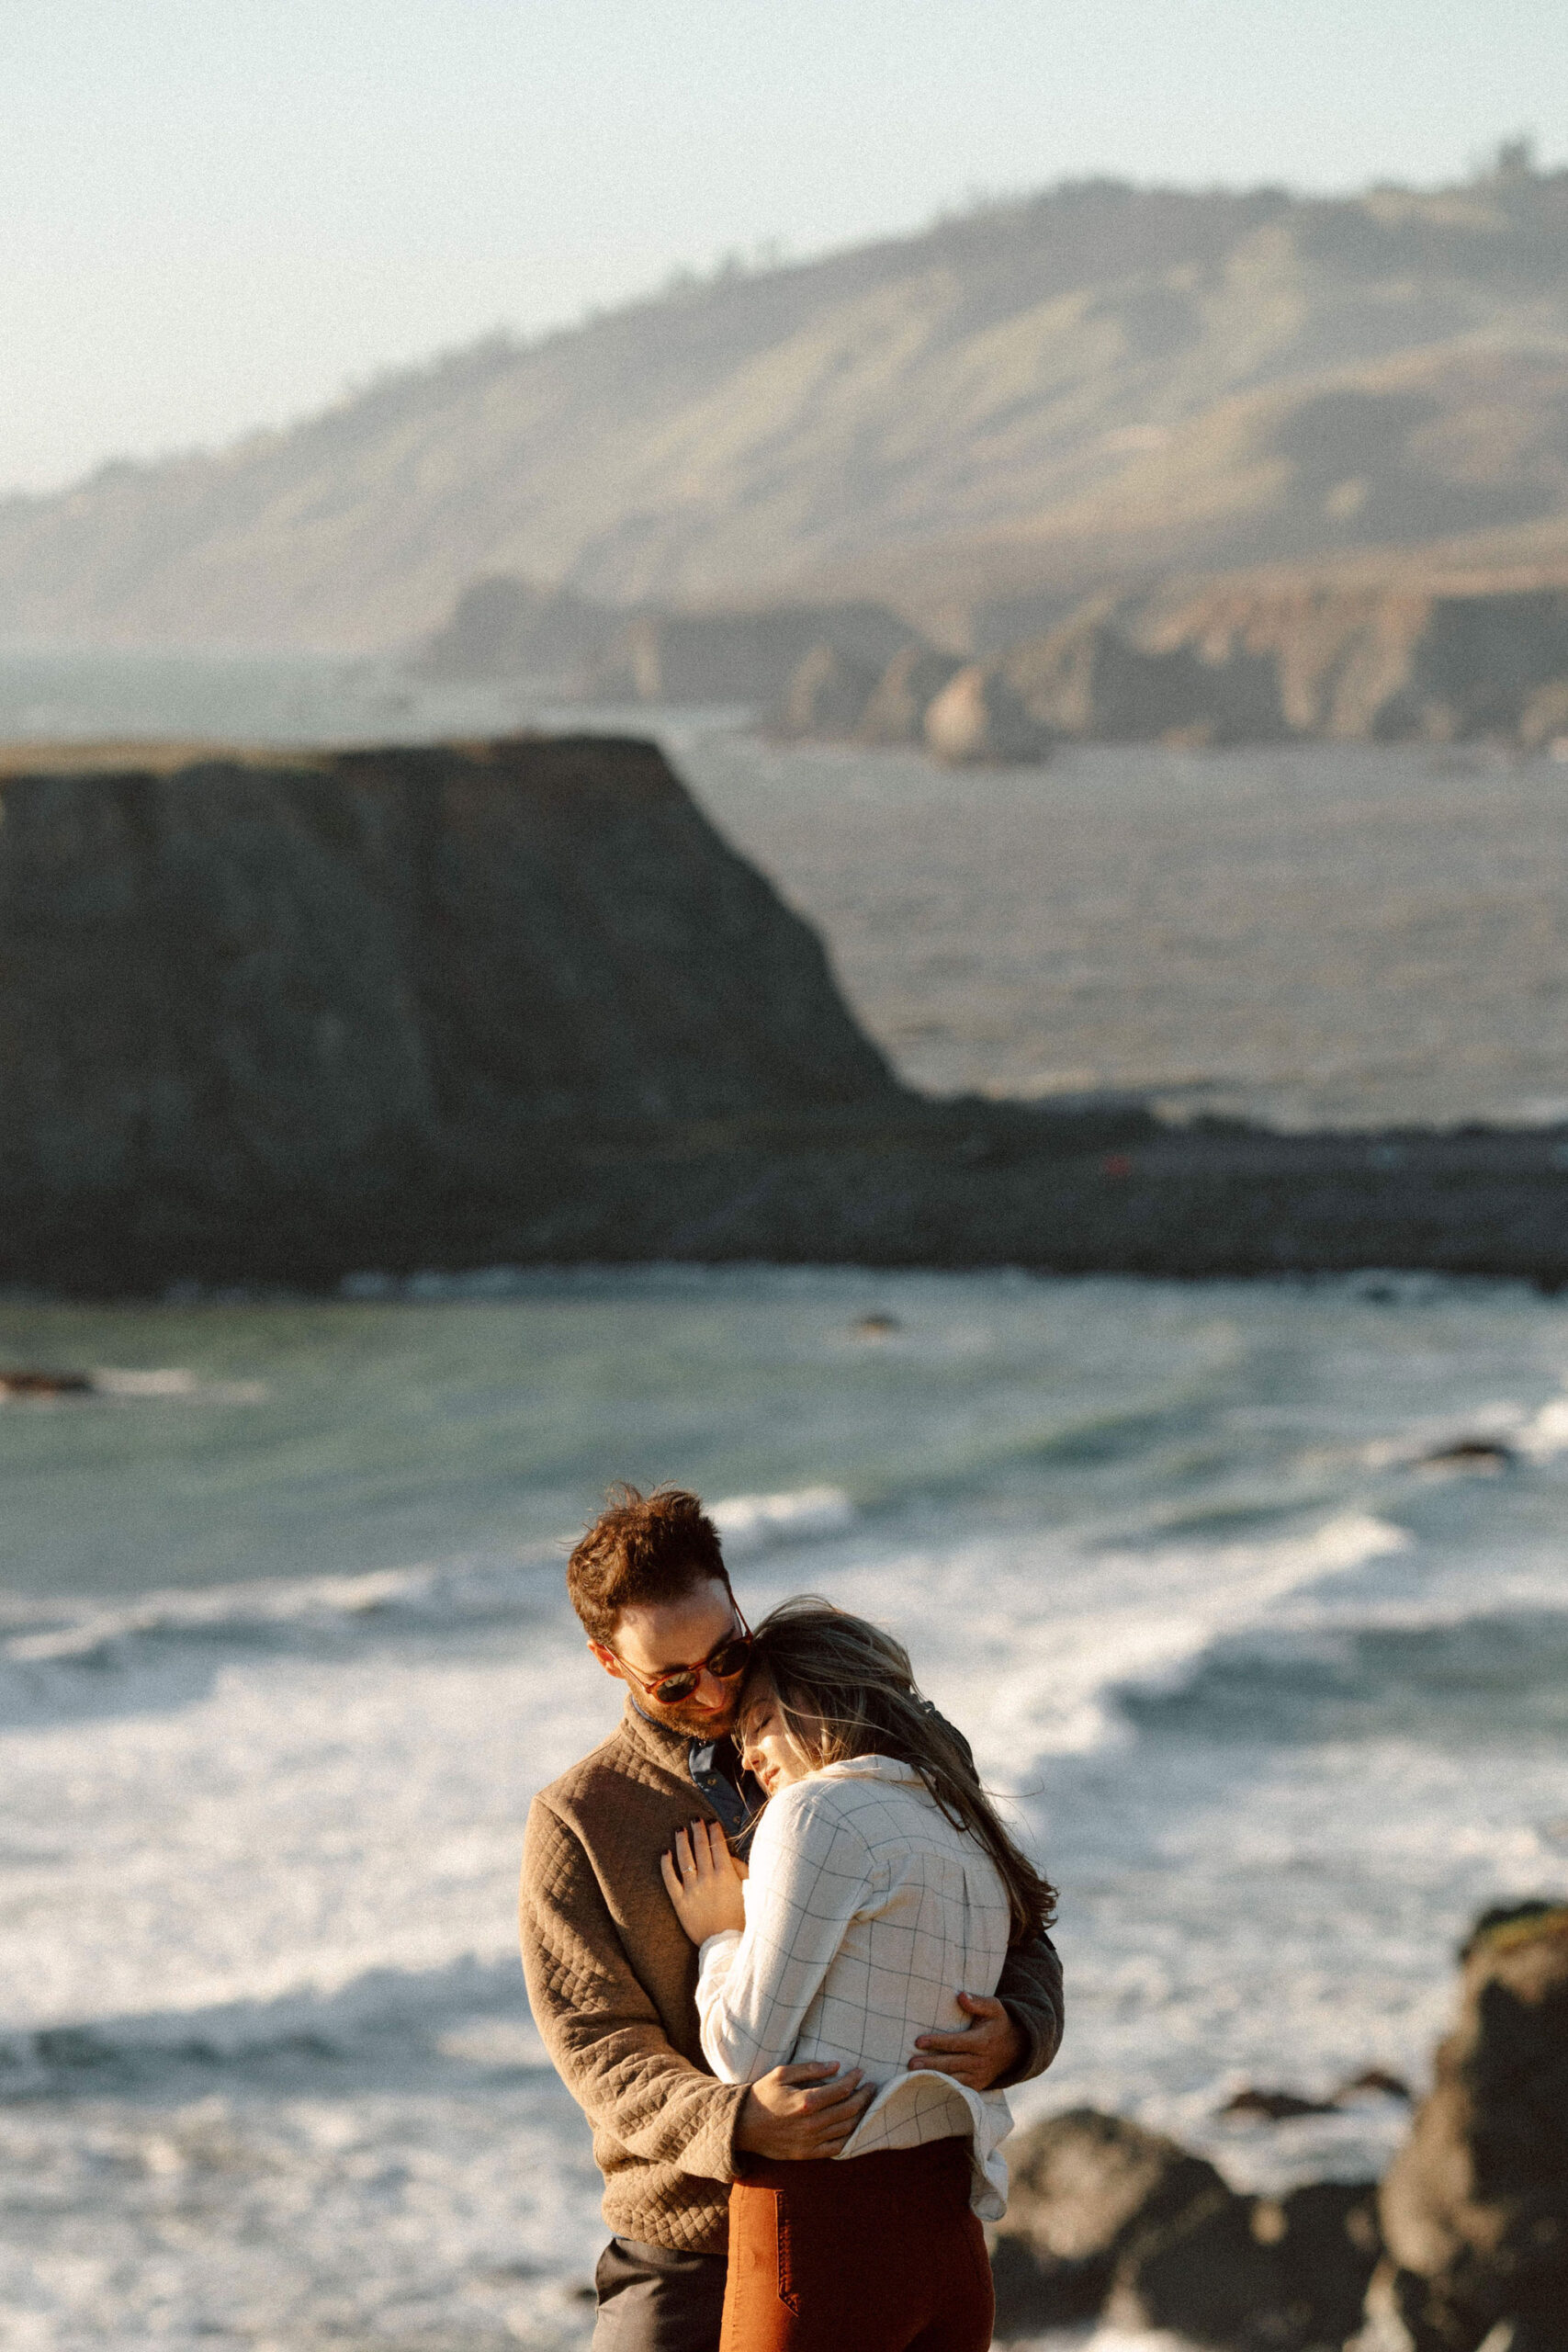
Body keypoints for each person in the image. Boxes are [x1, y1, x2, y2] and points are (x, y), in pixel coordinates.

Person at [520, 1486, 1064, 2352]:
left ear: (737, 1605)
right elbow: (598, 2047)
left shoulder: (876, 1734)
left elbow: (1011, 1912)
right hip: (686, 2244)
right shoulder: (581, 1819)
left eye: (727, 1654)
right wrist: (735, 2124)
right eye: (671, 1679)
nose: (711, 1694)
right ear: (607, 1663)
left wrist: (1020, 2030)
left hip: (881, 2214)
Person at [660, 1598, 1055, 2351]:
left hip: (823, 2242)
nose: (745, 1757)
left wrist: (720, 1933)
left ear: (814, 1700)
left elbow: (741, 2051)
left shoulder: (817, 1811)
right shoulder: (961, 1821)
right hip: (950, 2240)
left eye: (758, 1725)